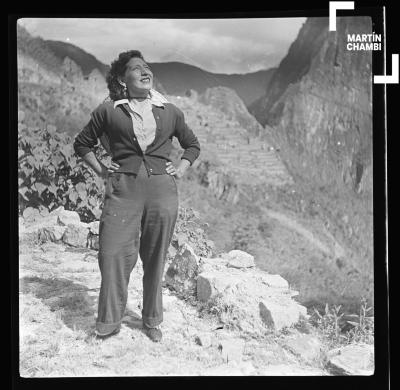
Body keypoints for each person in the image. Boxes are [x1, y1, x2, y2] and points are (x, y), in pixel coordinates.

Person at [73, 50, 200, 342]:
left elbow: (192, 145)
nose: (145, 72)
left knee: (156, 258)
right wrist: (103, 170)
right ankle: (108, 322)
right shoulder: (108, 110)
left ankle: (152, 320)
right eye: (136, 69)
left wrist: (180, 168)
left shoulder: (169, 110)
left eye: (147, 68)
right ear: (121, 79)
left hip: (162, 194)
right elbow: (82, 144)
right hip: (123, 192)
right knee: (112, 253)